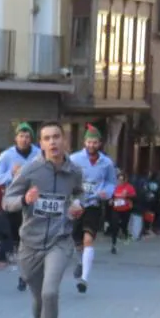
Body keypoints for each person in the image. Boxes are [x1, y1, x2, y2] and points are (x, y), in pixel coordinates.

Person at [1, 122, 84, 318]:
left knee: (50, 292)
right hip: (31, 244)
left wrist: (77, 206)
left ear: (64, 140)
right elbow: (7, 201)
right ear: (41, 143)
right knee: (38, 298)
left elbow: (79, 195)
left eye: (57, 137)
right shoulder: (31, 169)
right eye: (47, 138)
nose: (53, 142)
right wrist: (24, 200)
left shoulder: (74, 171)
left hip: (59, 240)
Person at [0, 123, 42, 291]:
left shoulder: (38, 154)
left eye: (27, 136)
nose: (24, 139)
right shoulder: (7, 155)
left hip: (34, 202)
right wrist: (11, 174)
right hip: (14, 200)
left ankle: (24, 274)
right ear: (16, 138)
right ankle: (21, 264)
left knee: (27, 238)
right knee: (16, 237)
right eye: (21, 136)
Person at [67, 126, 116, 294]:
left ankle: (84, 279)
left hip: (93, 204)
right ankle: (81, 262)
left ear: (100, 143)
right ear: (84, 142)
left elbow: (111, 182)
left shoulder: (107, 163)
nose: (92, 145)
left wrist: (107, 192)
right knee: (77, 241)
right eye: (89, 142)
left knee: (88, 239)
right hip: (76, 204)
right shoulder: (74, 159)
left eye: (95, 142)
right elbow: (66, 178)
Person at [110, 171, 137, 254]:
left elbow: (134, 196)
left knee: (124, 224)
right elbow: (111, 196)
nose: (120, 181)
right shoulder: (114, 187)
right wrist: (110, 200)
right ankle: (113, 244)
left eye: (122, 180)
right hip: (116, 208)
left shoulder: (129, 187)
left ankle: (124, 233)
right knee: (114, 225)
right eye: (119, 180)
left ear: (125, 180)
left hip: (126, 209)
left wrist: (127, 196)